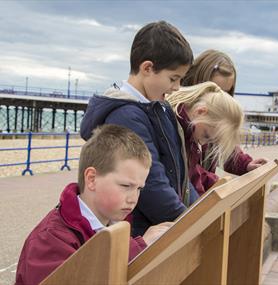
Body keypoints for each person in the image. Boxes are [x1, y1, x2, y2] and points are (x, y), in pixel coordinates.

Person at [15, 125, 173, 285]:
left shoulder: (114, 223)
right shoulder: (50, 239)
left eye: (139, 188)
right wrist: (138, 247)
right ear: (91, 179)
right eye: (126, 186)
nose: (133, 198)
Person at [80, 21, 197, 237]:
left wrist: (198, 211)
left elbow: (179, 174)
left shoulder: (159, 108)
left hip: (161, 226)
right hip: (141, 232)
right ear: (147, 68)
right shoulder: (126, 115)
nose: (177, 87)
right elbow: (151, 182)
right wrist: (189, 221)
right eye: (173, 78)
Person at [180, 49, 267, 193]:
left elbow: (225, 149)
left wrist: (246, 164)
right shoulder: (187, 120)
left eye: (226, 92)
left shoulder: (212, 120)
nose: (221, 96)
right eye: (215, 90)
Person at [166, 82, 243, 195]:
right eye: (206, 136)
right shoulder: (173, 129)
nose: (202, 143)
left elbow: (192, 173)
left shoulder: (192, 133)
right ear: (201, 112)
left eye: (210, 141)